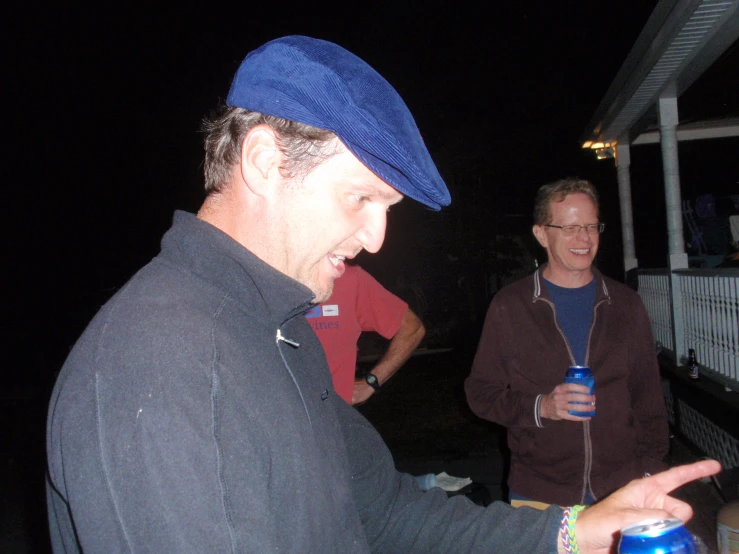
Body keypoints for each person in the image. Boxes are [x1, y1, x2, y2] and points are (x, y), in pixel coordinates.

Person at [46, 36, 719, 553]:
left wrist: (572, 533)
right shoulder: (161, 364)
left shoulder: (279, 332)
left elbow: (383, 508)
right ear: (262, 162)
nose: (375, 238)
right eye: (361, 197)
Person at [465, 178, 670, 510]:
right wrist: (543, 406)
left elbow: (649, 399)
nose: (585, 238)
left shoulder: (625, 304)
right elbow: (480, 393)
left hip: (622, 490)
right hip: (540, 494)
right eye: (571, 227)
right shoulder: (511, 306)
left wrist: (650, 472)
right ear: (542, 234)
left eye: (591, 226)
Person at [307, 263, 424, 405]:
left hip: (330, 414)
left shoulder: (349, 280)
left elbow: (412, 328)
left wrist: (372, 382)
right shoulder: (274, 282)